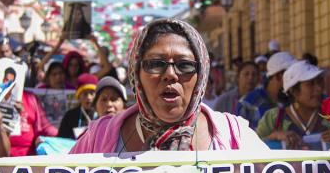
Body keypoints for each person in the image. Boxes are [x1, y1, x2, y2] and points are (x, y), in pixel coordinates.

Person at [69, 18, 268, 153]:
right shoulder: (98, 138)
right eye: (156, 64)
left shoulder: (236, 137)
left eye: (184, 65)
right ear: (136, 74)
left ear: (201, 75)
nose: (170, 75)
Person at [256, 61, 330, 149]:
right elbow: (252, 149)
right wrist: (274, 136)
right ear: (293, 90)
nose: (318, 88)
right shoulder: (273, 117)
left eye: (320, 82)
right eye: (311, 84)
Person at [231, 52, 297, 129]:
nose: (296, 81)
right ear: (278, 76)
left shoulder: (294, 101)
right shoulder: (248, 104)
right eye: (292, 77)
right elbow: (236, 137)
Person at [57, 73, 98, 139]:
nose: (88, 97)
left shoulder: (102, 115)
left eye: (92, 93)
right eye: (85, 94)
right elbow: (61, 140)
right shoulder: (70, 116)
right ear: (78, 96)